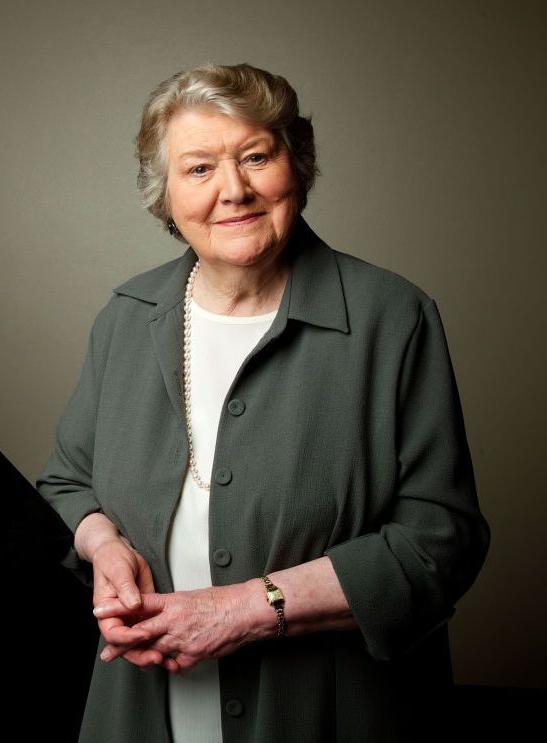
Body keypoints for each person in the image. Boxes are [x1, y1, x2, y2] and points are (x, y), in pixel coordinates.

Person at [36, 63, 489, 743]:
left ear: (296, 166)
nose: (234, 190)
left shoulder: (391, 317)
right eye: (199, 169)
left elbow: (440, 543)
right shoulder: (126, 316)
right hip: (140, 708)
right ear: (164, 195)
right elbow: (68, 481)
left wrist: (247, 608)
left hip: (329, 711)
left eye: (256, 156)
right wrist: (103, 545)